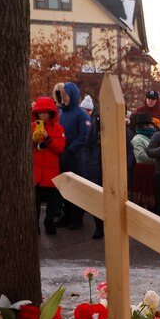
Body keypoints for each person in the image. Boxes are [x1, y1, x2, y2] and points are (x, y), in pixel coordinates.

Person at [53, 81, 91, 230]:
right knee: (65, 190)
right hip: (62, 157)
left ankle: (78, 219)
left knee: (77, 190)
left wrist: (70, 150)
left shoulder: (81, 114)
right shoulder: (61, 113)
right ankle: (66, 216)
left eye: (64, 96)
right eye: (60, 96)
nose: (62, 99)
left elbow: (84, 136)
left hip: (76, 159)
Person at [30, 96, 66, 236]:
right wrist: (34, 142)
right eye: (40, 112)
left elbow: (60, 148)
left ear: (51, 113)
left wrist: (48, 139)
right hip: (36, 173)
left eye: (45, 112)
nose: (42, 115)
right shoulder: (32, 127)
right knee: (35, 203)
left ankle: (49, 223)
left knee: (51, 204)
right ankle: (34, 227)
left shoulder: (58, 129)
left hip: (51, 173)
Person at [129, 113, 157, 210]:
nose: (152, 127)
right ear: (144, 126)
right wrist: (156, 160)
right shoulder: (137, 139)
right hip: (143, 171)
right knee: (143, 195)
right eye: (150, 125)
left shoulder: (151, 137)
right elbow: (141, 156)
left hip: (151, 171)